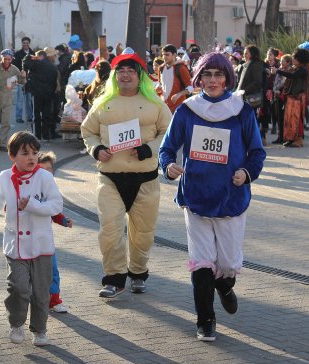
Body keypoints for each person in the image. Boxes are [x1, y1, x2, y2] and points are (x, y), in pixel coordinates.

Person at [158, 52, 266, 342]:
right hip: (196, 196)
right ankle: (205, 319)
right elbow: (166, 148)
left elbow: (257, 152)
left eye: (219, 75)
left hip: (231, 196)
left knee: (228, 263)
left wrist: (245, 172)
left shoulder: (241, 110)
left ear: (228, 77)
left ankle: (226, 285)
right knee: (202, 261)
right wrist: (168, 167)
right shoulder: (187, 110)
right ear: (199, 78)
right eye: (207, 75)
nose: (213, 80)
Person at [81, 53, 172, 298]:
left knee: (143, 233)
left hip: (145, 178)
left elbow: (169, 134)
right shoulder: (102, 104)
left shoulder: (156, 104)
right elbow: (88, 131)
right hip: (110, 177)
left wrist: (149, 149)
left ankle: (138, 273)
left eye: (131, 70)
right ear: (114, 75)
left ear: (140, 75)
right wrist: (97, 149)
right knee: (110, 229)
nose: (125, 74)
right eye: (121, 70)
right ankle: (114, 278)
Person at [0, 131, 63, 346]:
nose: (31, 158)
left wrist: (33, 206)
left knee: (40, 292)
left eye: (35, 153)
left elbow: (56, 205)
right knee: (18, 287)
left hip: (42, 246)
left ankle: (40, 330)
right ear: (12, 156)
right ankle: (16, 323)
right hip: (15, 246)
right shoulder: (4, 178)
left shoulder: (45, 177)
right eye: (25, 153)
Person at [38, 151, 73, 314]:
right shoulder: (28, 188)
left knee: (52, 270)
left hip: (46, 240)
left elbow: (54, 211)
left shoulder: (51, 190)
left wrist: (64, 220)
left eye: (49, 169)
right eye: (42, 169)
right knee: (33, 274)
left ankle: (54, 301)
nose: (46, 173)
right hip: (27, 241)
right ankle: (34, 299)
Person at [276, 48, 309, 148]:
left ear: (300, 59)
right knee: (289, 119)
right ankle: (290, 139)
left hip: (298, 98)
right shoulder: (296, 68)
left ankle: (298, 140)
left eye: (295, 58)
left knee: (297, 119)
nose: (293, 60)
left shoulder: (303, 69)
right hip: (292, 97)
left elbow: (293, 76)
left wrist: (278, 71)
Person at [23, 49, 59, 141]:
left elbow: (26, 64)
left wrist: (28, 57)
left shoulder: (37, 64)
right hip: (49, 93)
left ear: (40, 56)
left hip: (37, 92)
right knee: (46, 114)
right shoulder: (53, 67)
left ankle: (37, 135)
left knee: (36, 114)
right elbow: (54, 82)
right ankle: (46, 135)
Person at [237, 45, 265, 141]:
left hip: (251, 96)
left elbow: (257, 82)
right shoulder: (246, 64)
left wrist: (244, 91)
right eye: (244, 53)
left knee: (252, 119)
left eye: (246, 53)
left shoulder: (256, 64)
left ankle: (255, 139)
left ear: (252, 54)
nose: (244, 55)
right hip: (243, 96)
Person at [159, 44, 193, 113]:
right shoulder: (161, 68)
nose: (164, 57)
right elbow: (161, 85)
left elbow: (191, 88)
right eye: (163, 55)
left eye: (167, 55)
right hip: (164, 107)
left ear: (174, 55)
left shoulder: (181, 68)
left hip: (178, 109)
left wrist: (179, 94)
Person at [13, 37, 34, 123]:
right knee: (20, 99)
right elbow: (14, 66)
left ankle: (30, 116)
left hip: (30, 80)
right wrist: (19, 74)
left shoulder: (33, 54)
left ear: (29, 44)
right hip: (20, 79)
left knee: (29, 99)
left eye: (27, 43)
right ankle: (18, 117)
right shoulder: (17, 54)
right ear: (22, 44)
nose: (25, 44)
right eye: (24, 43)